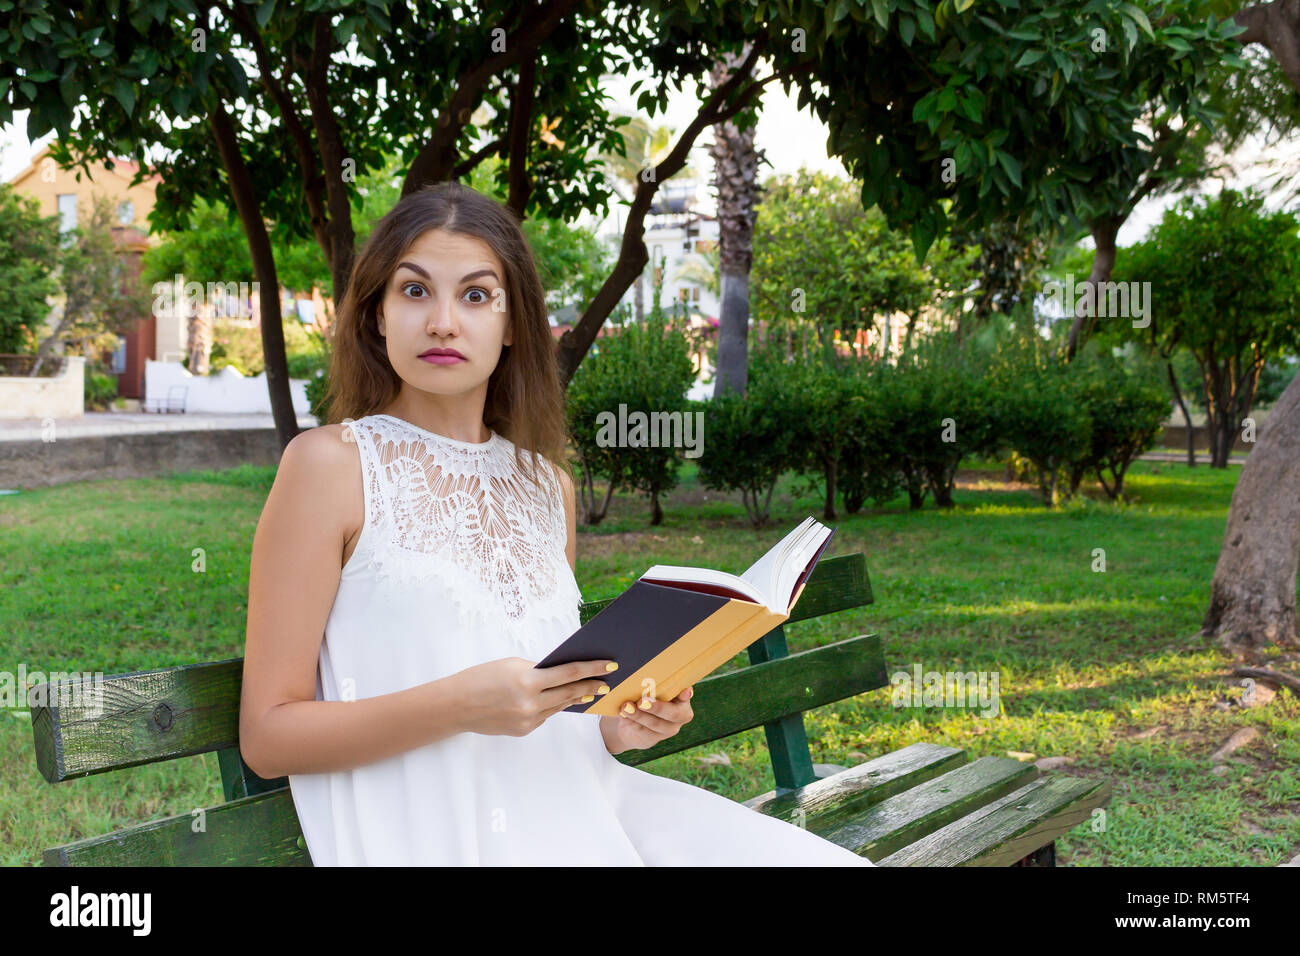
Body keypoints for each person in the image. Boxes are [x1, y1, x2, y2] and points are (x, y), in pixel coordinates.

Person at [239, 182, 874, 866]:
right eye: (415, 291)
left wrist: (623, 729)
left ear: (513, 324)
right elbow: (269, 738)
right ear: (377, 315)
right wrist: (458, 704)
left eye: (476, 295)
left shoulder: (547, 487)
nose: (444, 321)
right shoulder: (328, 467)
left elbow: (556, 714)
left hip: (593, 811)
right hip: (443, 840)